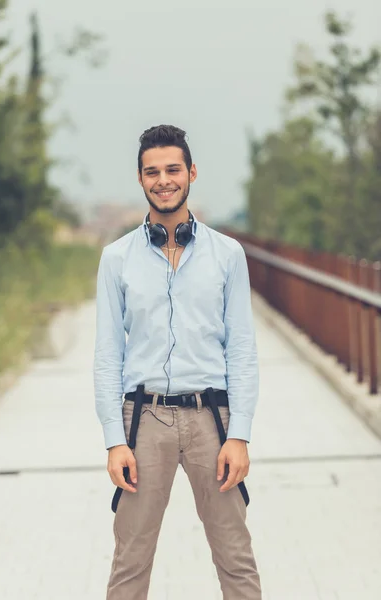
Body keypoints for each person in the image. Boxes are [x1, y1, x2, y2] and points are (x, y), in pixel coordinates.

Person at [93, 124, 262, 599]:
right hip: (143, 420)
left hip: (212, 418)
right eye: (152, 172)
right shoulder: (116, 258)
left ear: (191, 173)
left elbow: (242, 349)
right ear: (141, 179)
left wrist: (240, 434)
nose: (163, 180)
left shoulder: (228, 255)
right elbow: (108, 353)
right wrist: (113, 441)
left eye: (172, 169)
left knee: (235, 556)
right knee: (130, 559)